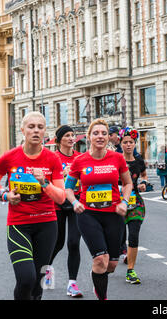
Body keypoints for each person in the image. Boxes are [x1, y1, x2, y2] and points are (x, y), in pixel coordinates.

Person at [0, 111, 66, 300]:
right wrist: (5, 195)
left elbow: (61, 198)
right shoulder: (10, 157)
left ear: (45, 131)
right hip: (19, 224)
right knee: (26, 278)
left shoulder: (52, 159)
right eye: (31, 127)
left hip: (47, 224)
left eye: (40, 127)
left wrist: (45, 183)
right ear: (23, 130)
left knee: (38, 281)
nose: (36, 131)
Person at [65, 119, 133, 300]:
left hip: (113, 214)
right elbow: (68, 187)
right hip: (88, 214)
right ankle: (102, 296)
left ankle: (97, 274)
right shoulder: (79, 161)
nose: (100, 136)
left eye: (104, 133)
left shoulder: (117, 158)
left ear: (108, 137)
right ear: (89, 137)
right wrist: (74, 202)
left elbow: (127, 183)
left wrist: (124, 202)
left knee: (111, 264)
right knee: (100, 259)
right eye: (96, 133)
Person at [45, 125, 83, 298]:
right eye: (67, 135)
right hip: (58, 204)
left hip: (75, 203)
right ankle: (47, 269)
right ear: (59, 139)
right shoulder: (53, 158)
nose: (71, 138)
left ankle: (72, 284)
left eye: (72, 135)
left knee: (73, 243)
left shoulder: (80, 158)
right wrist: (62, 173)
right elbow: (46, 181)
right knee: (57, 243)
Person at [119, 127, 148, 284]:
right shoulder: (116, 160)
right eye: (125, 142)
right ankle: (118, 252)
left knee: (134, 235)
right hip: (117, 203)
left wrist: (143, 183)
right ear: (121, 144)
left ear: (135, 144)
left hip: (135, 202)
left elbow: (143, 175)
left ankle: (131, 270)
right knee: (117, 236)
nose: (128, 145)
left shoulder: (139, 161)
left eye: (131, 142)